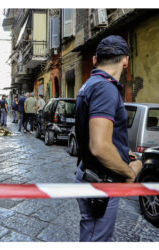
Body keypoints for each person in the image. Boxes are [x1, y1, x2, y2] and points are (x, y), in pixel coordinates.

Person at [73, 35, 142, 242]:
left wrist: (123, 151)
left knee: (92, 234)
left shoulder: (90, 85)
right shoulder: (105, 88)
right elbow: (100, 146)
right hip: (101, 181)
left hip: (91, 174)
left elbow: (98, 135)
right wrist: (129, 171)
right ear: (126, 61)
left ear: (95, 60)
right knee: (97, 240)